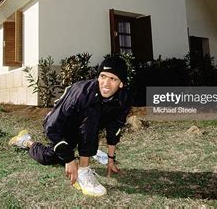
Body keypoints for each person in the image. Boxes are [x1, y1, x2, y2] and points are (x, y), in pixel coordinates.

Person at [14, 56, 131, 197]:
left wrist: (111, 160)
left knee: (93, 116)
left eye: (113, 79)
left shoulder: (123, 99)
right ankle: (27, 141)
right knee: (48, 157)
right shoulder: (80, 92)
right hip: (61, 125)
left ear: (121, 84)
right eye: (103, 76)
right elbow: (51, 126)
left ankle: (83, 167)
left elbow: (114, 129)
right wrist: (69, 159)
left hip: (83, 130)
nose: (106, 83)